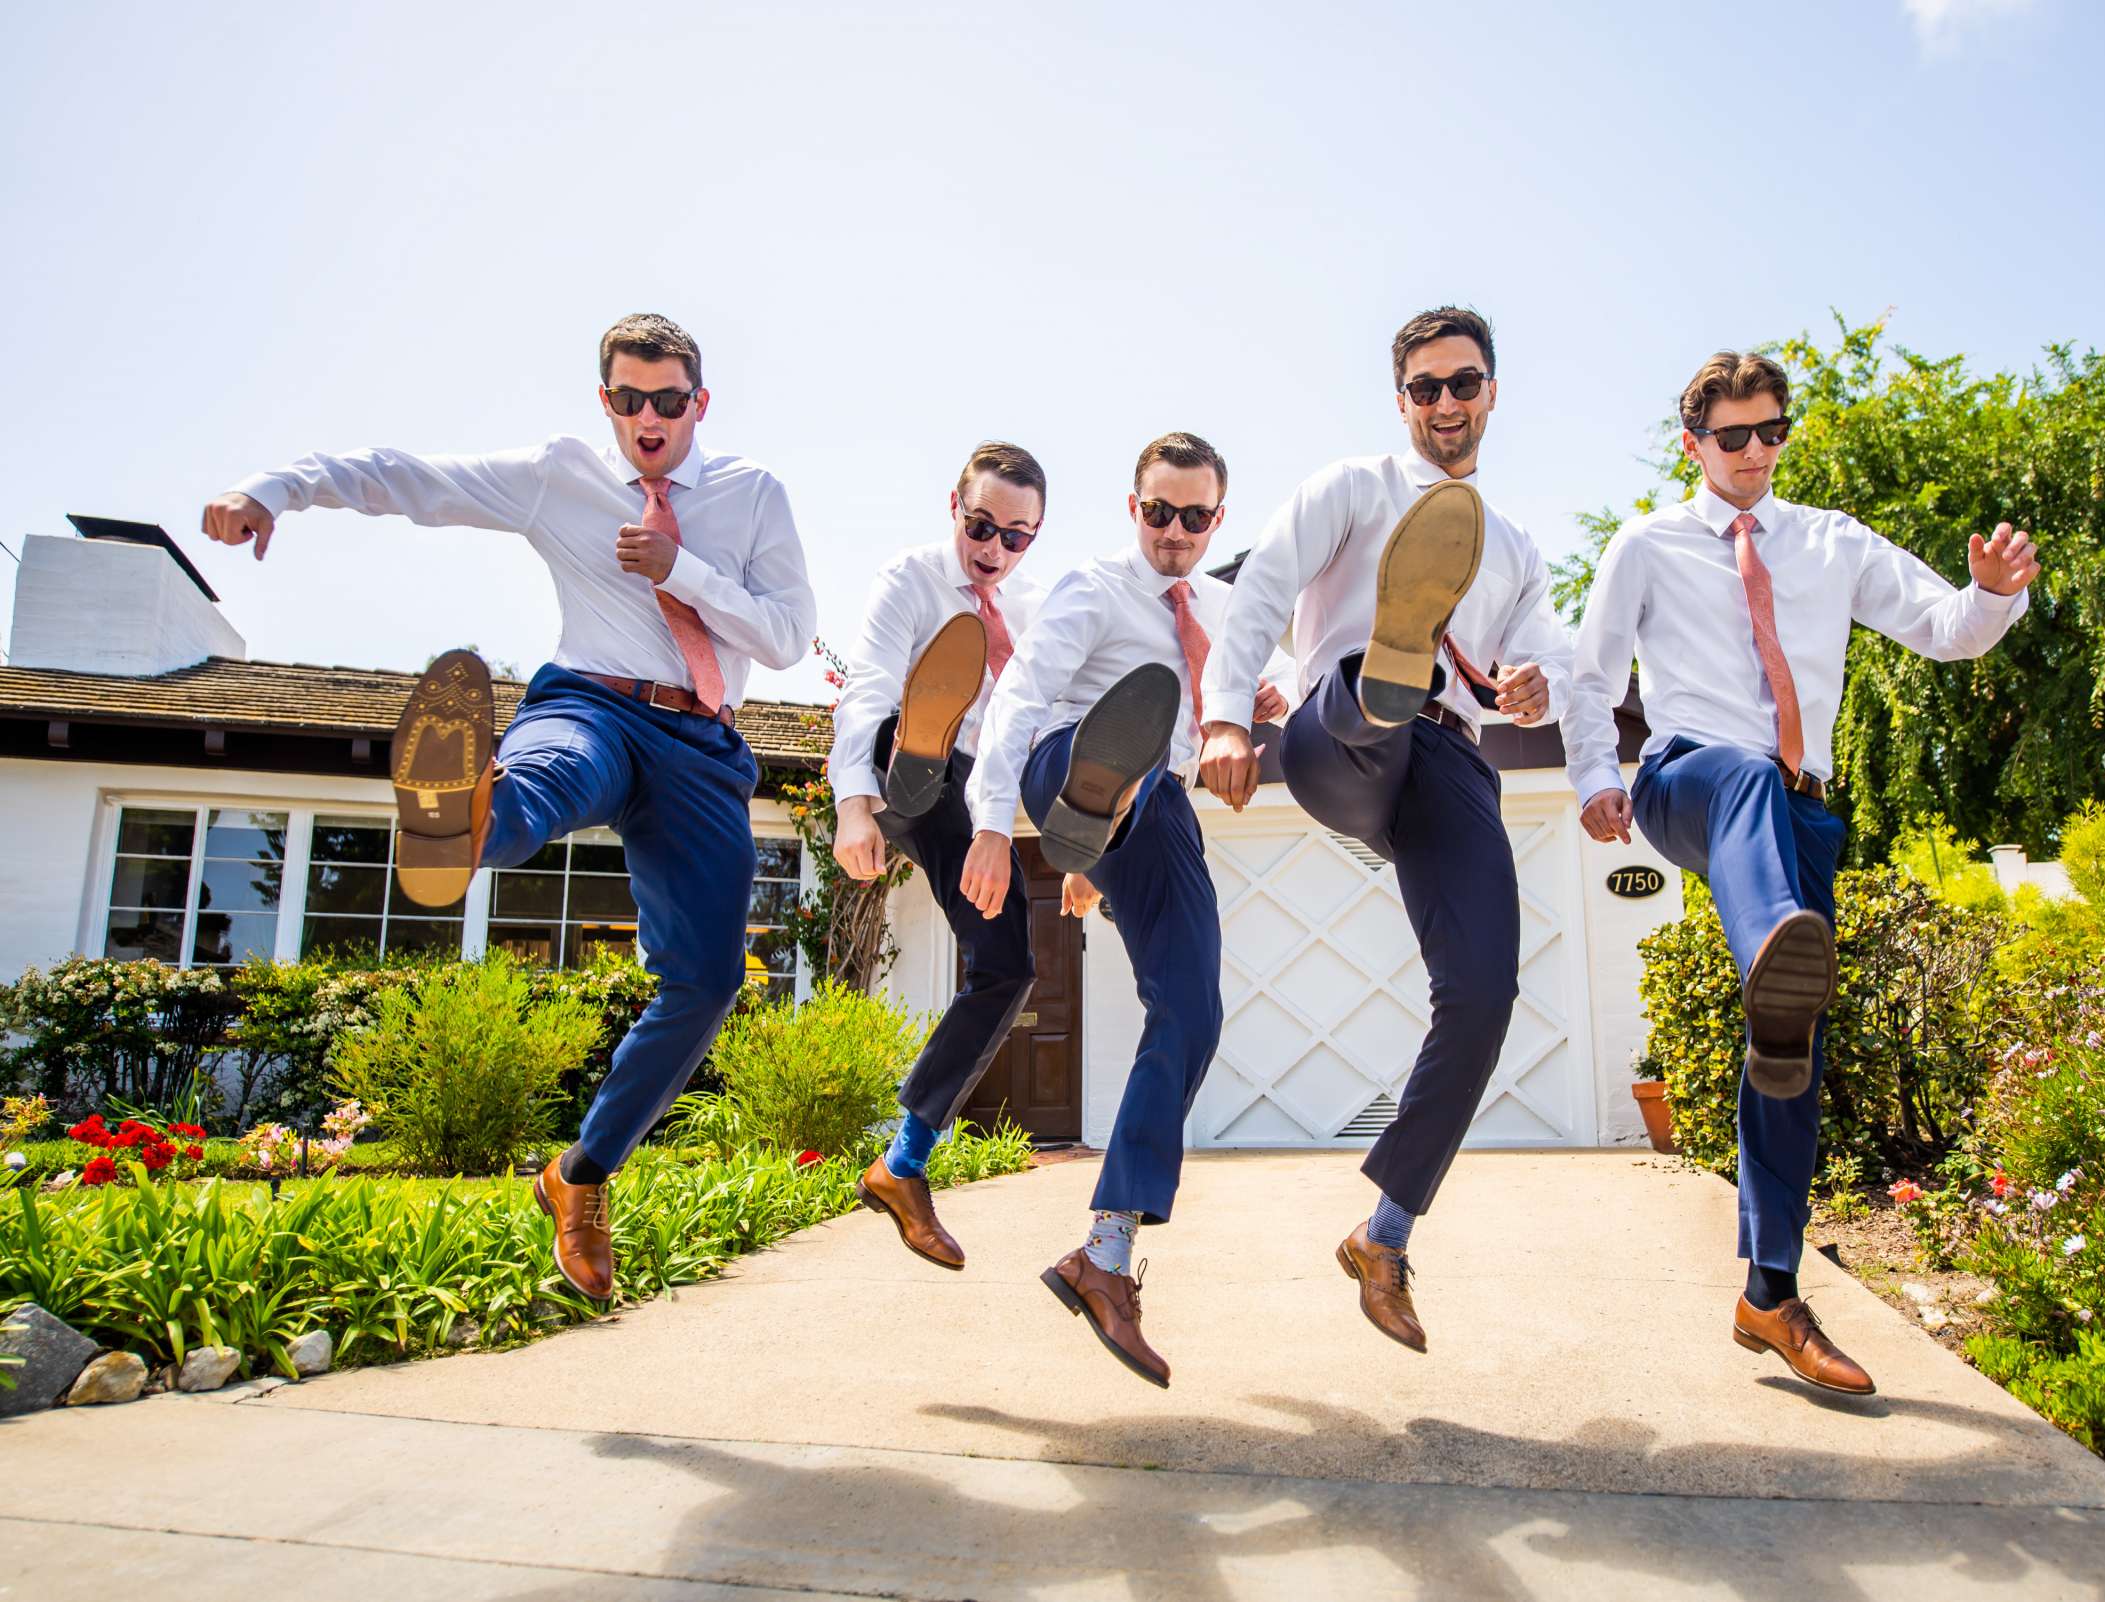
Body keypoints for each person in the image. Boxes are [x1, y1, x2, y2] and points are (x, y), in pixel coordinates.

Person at [199, 313, 815, 1305]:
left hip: (700, 741)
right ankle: (471, 817)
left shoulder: (752, 495)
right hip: (587, 701)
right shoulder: (554, 473)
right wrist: (275, 488)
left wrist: (680, 570)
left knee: (704, 982)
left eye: (666, 400)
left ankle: (578, 1177)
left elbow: (788, 637)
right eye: (627, 399)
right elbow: (410, 479)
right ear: (604, 402)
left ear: (699, 403)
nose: (646, 418)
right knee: (546, 775)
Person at [1563, 349, 2039, 1395]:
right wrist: (1597, 777)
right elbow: (1590, 674)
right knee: (1737, 773)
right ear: (1695, 444)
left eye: (1770, 432)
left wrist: (1992, 595)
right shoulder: (1647, 543)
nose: (1754, 453)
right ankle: (1773, 948)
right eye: (1732, 437)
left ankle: (1770, 1295)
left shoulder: (1834, 543)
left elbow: (1945, 629)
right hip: (1690, 781)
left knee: (1791, 1052)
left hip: (1800, 812)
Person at [1194, 308, 1570, 1354]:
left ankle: (1385, 1233)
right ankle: (1382, 675)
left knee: (1487, 991)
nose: (1445, 404)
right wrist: (1228, 715)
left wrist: (1532, 690)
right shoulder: (1351, 487)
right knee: (1371, 694)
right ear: (1400, 399)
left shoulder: (1520, 547)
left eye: (1463, 383)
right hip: (1334, 741)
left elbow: (1523, 678)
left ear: (1492, 390)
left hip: (1450, 754)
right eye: (1425, 388)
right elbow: (1260, 590)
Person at [963, 432, 1291, 1388]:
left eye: (1195, 518)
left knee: (1193, 1014)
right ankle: (1092, 808)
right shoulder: (1095, 589)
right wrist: (992, 828)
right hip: (1058, 760)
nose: (1175, 534)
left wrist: (1262, 690)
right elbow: (1019, 695)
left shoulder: (1231, 610)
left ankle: (1102, 1256)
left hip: (1161, 809)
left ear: (1218, 519)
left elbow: (1288, 684)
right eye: (1159, 513)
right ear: (1133, 506)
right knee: (1117, 747)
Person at [828, 442, 1049, 1269]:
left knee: (1009, 966)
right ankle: (910, 764)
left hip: (980, 797)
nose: (993, 550)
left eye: (1017, 537)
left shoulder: (1029, 606)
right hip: (901, 760)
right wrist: (855, 808)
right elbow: (863, 688)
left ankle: (902, 1160)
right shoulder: (910, 578)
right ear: (953, 507)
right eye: (981, 526)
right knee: (902, 727)